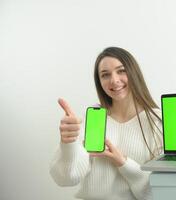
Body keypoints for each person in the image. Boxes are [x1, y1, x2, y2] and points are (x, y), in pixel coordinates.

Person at [50, 47, 163, 200]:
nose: (114, 80)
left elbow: (157, 192)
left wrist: (122, 162)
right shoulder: (91, 120)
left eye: (121, 71)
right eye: (105, 75)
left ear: (134, 73)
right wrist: (68, 143)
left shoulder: (156, 121)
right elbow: (65, 179)